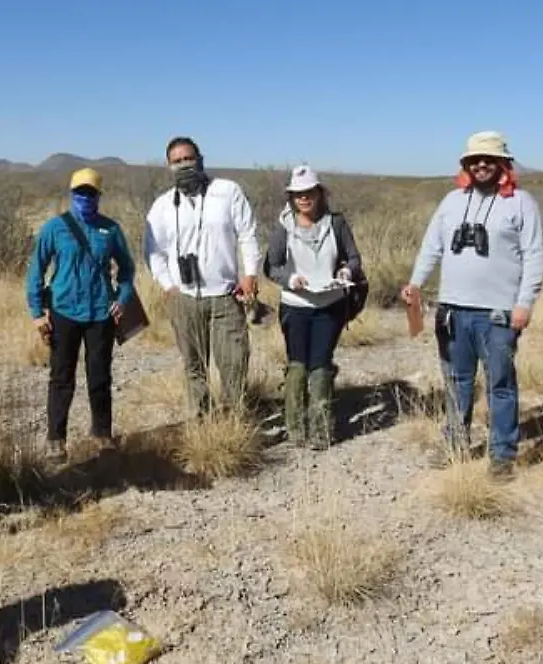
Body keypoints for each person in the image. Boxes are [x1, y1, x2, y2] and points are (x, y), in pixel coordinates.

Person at [400, 131, 543, 479]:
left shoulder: (522, 203)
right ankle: (455, 444)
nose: (481, 164)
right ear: (465, 164)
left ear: (502, 164)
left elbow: (535, 256)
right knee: (456, 380)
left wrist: (524, 303)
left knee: (501, 383)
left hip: (498, 314)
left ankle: (502, 455)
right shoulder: (451, 201)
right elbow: (431, 246)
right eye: (474, 159)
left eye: (488, 159)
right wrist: (416, 282)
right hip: (452, 311)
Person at [144, 136, 261, 418]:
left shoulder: (228, 191)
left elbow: (247, 235)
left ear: (200, 159)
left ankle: (235, 423)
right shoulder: (161, 206)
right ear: (169, 166)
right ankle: (203, 423)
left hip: (225, 296)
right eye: (177, 161)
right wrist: (168, 285)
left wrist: (250, 274)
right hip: (184, 299)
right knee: (194, 366)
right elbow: (152, 252)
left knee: (233, 364)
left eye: (188, 158)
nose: (184, 165)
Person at [26, 168, 136, 463]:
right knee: (61, 377)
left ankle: (102, 434)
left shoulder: (110, 230)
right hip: (64, 312)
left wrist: (122, 299)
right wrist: (37, 312)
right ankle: (55, 439)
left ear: (99, 195)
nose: (84, 198)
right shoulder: (54, 228)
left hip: (100, 313)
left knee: (99, 376)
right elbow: (36, 270)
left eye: (90, 193)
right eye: (79, 192)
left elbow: (127, 270)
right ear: (71, 193)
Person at [264, 165, 365, 450]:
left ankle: (321, 430)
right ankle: (295, 429)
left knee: (320, 365)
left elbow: (354, 258)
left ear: (319, 194)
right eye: (298, 194)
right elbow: (271, 266)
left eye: (309, 193)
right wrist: (290, 278)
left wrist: (346, 274)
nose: (304, 199)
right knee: (297, 366)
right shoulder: (283, 225)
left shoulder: (336, 223)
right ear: (291, 197)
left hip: (329, 304)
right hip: (295, 305)